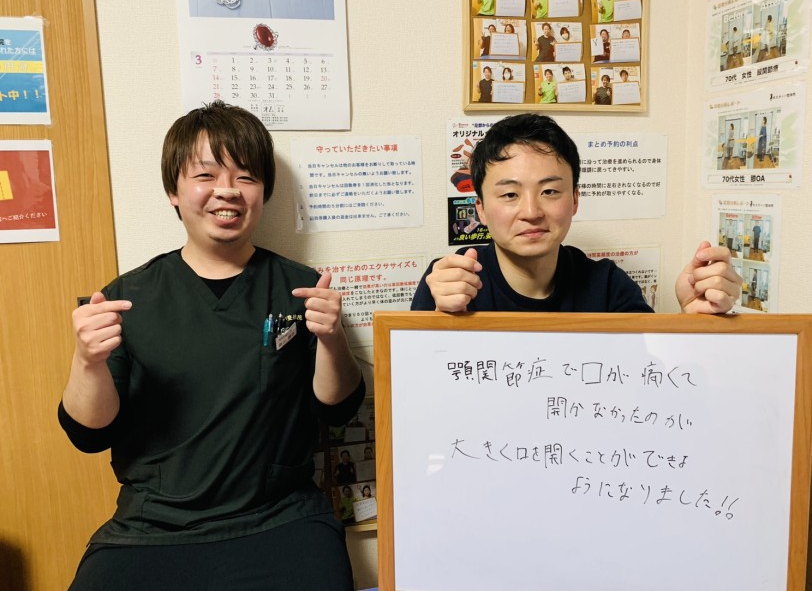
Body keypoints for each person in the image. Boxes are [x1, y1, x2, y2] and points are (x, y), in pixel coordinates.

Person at [59, 100, 365, 590]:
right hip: (152, 528)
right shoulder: (126, 298)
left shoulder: (301, 287)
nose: (228, 190)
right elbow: (89, 435)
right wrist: (87, 361)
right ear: (173, 191)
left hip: (280, 518)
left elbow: (339, 409)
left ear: (264, 192)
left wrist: (330, 338)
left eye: (246, 177)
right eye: (206, 174)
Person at [410, 113, 741, 315]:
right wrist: (438, 318)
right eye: (510, 194)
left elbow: (648, 386)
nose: (531, 212)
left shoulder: (608, 286)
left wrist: (693, 322)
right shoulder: (449, 281)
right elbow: (414, 394)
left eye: (550, 191)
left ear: (575, 200)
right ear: (480, 209)